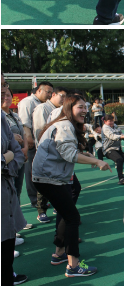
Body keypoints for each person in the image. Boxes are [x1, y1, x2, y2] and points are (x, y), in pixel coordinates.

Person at [33, 94, 112, 277]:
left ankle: (59, 253)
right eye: (80, 107)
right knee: (72, 218)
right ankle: (73, 266)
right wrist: (97, 161)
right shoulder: (65, 125)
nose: (84, 110)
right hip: (49, 178)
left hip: (48, 177)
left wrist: (89, 156)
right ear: (69, 108)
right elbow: (69, 154)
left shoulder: (64, 124)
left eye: (85, 107)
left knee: (66, 214)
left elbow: (65, 150)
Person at [1, 74, 28, 285]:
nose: (4, 91)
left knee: (7, 246)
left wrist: (7, 159)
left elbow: (17, 153)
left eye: (4, 85)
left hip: (6, 188)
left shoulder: (3, 118)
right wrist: (7, 157)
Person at [18, 81, 54, 223]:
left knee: (40, 171)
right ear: (39, 90)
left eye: (51, 92)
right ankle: (34, 200)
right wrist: (29, 139)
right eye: (47, 92)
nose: (49, 95)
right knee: (32, 172)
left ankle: (43, 199)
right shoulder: (28, 102)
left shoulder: (43, 104)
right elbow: (24, 123)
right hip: (31, 142)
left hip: (41, 142)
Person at [101, 114, 124, 185]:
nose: (111, 122)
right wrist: (121, 137)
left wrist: (123, 135)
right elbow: (112, 136)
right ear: (105, 121)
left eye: (112, 121)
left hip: (117, 149)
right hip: (108, 149)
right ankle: (121, 178)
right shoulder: (105, 128)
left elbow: (120, 132)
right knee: (119, 159)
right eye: (109, 121)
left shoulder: (115, 126)